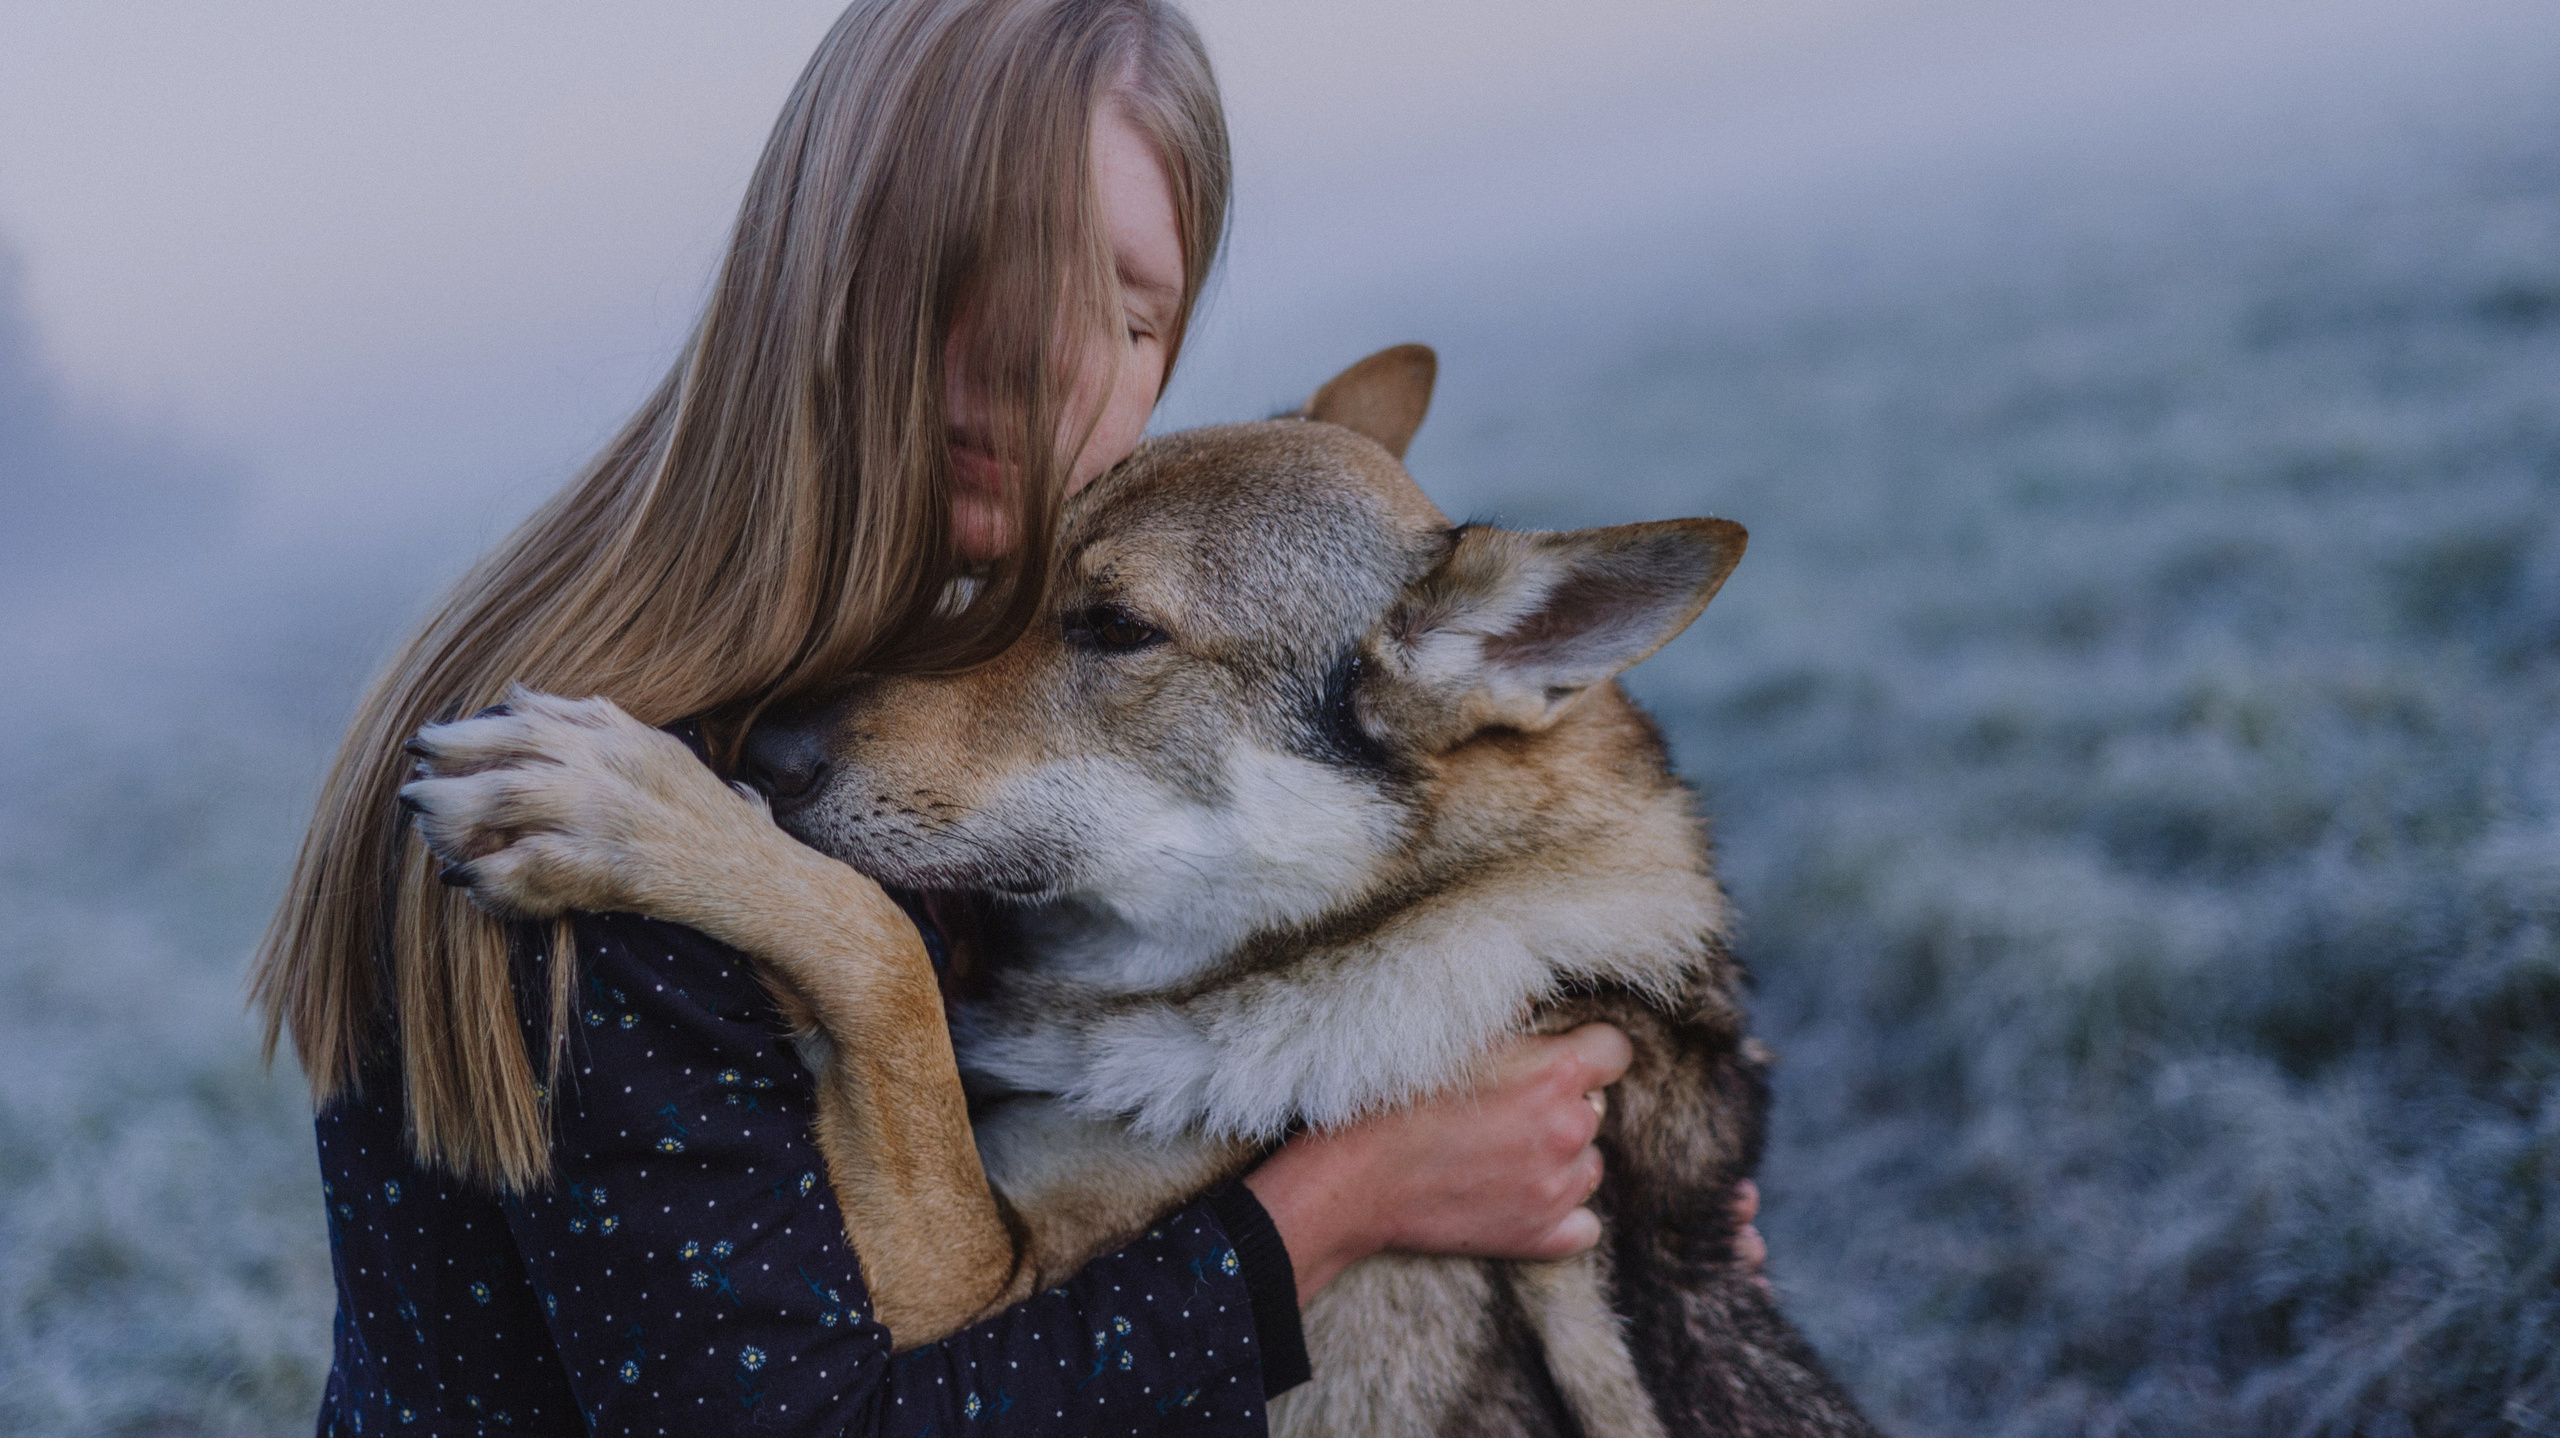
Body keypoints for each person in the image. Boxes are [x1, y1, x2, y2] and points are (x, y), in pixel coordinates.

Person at [251, 1, 1760, 1432]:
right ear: (825, 246)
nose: (1058, 353)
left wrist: (1658, 1238)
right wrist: (1342, 1201)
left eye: (1134, 308)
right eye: (996, 252)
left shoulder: (925, 656)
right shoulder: (593, 787)